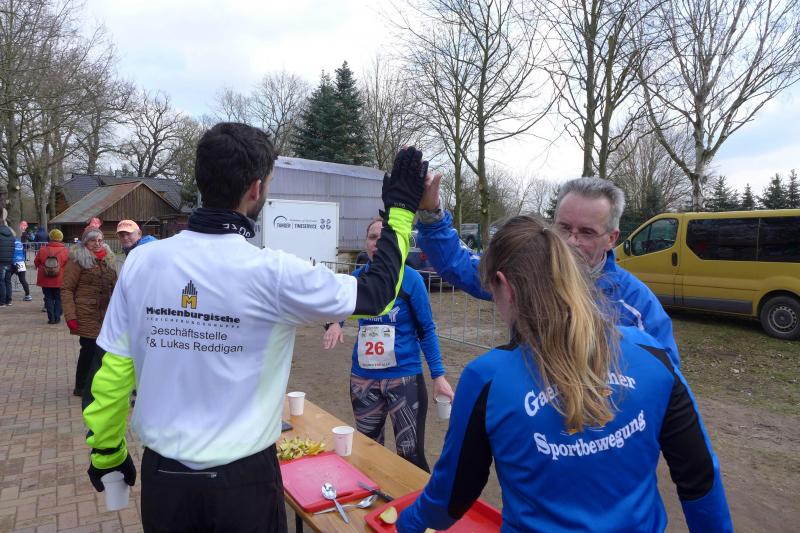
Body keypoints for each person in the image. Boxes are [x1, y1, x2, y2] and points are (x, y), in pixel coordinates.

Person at [81, 122, 426, 532]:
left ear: (201, 180)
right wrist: (400, 210)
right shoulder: (272, 272)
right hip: (244, 483)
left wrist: (107, 453)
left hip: (166, 480)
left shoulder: (141, 262)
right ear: (256, 189)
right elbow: (377, 293)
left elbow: (112, 371)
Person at [398, 215, 732, 533]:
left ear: (505, 287)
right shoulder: (650, 351)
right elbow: (700, 477)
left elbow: (449, 500)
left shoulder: (487, 379)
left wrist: (404, 523)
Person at [415, 175, 681, 368]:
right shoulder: (527, 272)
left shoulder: (636, 303)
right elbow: (459, 264)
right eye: (564, 228)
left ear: (612, 238)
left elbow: (666, 381)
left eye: (586, 232)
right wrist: (431, 213)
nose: (571, 241)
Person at [323, 216, 454, 472]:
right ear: (366, 243)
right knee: (368, 451)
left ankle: (417, 498)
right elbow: (337, 310)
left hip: (404, 379)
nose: (377, 243)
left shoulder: (411, 279)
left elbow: (427, 329)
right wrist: (334, 324)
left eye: (384, 239)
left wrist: (438, 376)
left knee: (410, 455)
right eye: (372, 238)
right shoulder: (357, 279)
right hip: (363, 379)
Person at [61, 227, 118, 396]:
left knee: (104, 350)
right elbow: (67, 289)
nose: (97, 243)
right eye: (93, 240)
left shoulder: (109, 259)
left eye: (100, 240)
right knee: (89, 349)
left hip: (106, 313)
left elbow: (116, 287)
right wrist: (70, 316)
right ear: (85, 242)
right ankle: (81, 386)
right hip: (86, 312)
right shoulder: (77, 260)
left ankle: (98, 383)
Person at [35, 229, 70, 324]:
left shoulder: (42, 249)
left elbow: (36, 262)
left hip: (45, 278)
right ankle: (57, 317)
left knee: (48, 297)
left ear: (50, 237)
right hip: (60, 278)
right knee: (59, 298)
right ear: (61, 238)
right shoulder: (65, 250)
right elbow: (69, 265)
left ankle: (51, 318)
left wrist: (43, 267)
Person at [11, 235, 32, 301]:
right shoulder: (19, 242)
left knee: (6, 279)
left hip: (13, 262)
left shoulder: (10, 241)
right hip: (21, 261)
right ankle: (28, 295)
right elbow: (23, 252)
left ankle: (6, 296)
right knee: (22, 279)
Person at [0, 224, 15, 307]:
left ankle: (2, 301)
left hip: (1, 261)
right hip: (9, 261)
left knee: (1, 281)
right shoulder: (11, 235)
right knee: (8, 281)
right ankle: (8, 300)